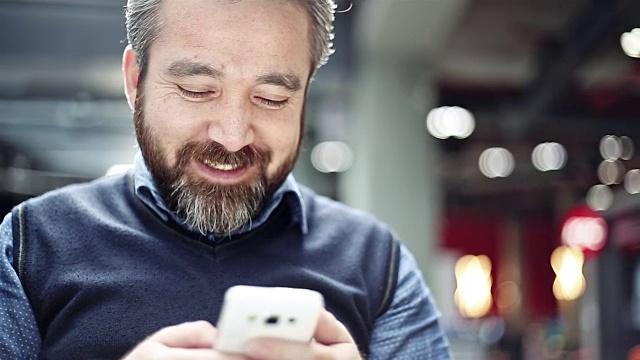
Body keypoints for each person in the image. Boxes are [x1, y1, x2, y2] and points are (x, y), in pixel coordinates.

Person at [0, 0, 452, 359]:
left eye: (272, 98)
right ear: (135, 80)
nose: (233, 137)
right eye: (198, 90)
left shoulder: (378, 263)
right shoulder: (28, 246)